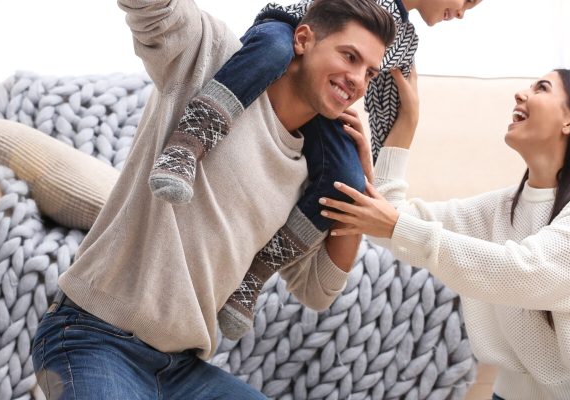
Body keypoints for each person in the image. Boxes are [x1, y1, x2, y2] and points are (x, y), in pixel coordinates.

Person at [29, 0, 395, 398]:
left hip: (181, 370)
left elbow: (318, 291)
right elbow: (154, 12)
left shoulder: (316, 172)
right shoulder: (214, 58)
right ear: (304, 39)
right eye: (349, 56)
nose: (358, 79)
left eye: (370, 72)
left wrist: (360, 183)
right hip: (93, 337)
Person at [146, 0, 482, 339]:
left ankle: (255, 275)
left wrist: (379, 157)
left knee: (348, 181)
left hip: (322, 94)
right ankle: (184, 147)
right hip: (290, 32)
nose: (462, 11)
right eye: (466, 0)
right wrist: (307, 43)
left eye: (369, 71)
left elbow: (384, 108)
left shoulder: (404, 43)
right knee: (277, 49)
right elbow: (316, 19)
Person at [322, 68, 570, 400]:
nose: (520, 94)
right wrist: (404, 126)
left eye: (541, 88)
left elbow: (530, 272)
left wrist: (398, 227)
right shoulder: (500, 207)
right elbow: (390, 228)